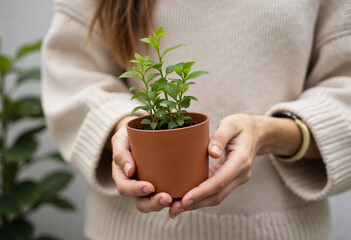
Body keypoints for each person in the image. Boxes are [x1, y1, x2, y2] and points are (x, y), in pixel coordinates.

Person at [41, 0, 351, 239]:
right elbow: (72, 73)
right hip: (130, 230)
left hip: (282, 229)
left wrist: (266, 133)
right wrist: (124, 128)